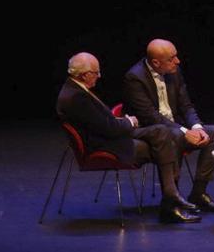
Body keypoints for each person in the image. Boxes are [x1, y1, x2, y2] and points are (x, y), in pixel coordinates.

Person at [56, 52, 200, 223]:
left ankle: (171, 197)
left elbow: (101, 122)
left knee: (162, 132)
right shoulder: (76, 97)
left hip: (109, 137)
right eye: (96, 73)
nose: (99, 76)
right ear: (85, 75)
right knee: (165, 142)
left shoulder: (74, 89)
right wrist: (129, 122)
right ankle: (170, 202)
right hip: (105, 146)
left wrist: (122, 122)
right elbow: (109, 129)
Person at [122, 38, 214, 213]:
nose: (177, 61)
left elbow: (186, 105)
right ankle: (172, 201)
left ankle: (198, 193)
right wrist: (184, 131)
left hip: (175, 127)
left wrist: (197, 127)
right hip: (151, 131)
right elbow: (150, 116)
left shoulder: (174, 71)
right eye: (172, 58)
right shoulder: (135, 78)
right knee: (174, 135)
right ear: (156, 62)